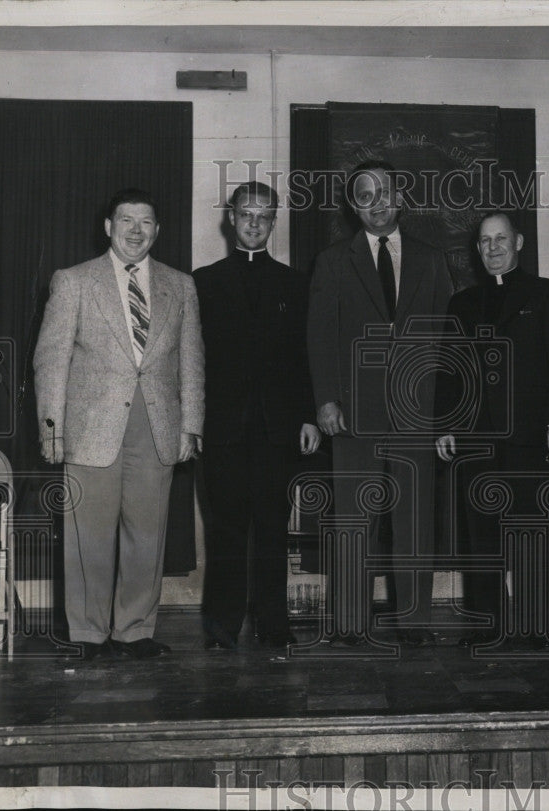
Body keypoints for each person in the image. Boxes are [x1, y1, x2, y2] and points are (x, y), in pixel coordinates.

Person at [34, 188, 204, 660]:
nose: (135, 230)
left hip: (157, 427)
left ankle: (135, 631)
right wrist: (52, 429)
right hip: (89, 429)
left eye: (145, 222)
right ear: (108, 227)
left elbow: (191, 362)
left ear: (157, 231)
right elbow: (50, 361)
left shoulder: (180, 285)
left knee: (147, 535)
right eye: (126, 220)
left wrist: (192, 425)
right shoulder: (74, 281)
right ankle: (88, 635)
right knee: (87, 536)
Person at [307, 160, 453, 648]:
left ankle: (413, 620)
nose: (377, 203)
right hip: (354, 412)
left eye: (385, 192)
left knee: (414, 518)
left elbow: (446, 338)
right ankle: (350, 622)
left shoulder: (432, 259)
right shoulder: (332, 260)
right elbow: (320, 336)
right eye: (364, 195)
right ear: (354, 206)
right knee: (354, 519)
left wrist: (443, 412)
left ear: (401, 198)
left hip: (417, 411)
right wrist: (326, 400)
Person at [435, 211, 549, 648]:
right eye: (485, 241)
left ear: (518, 242)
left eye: (501, 239)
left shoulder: (547, 293)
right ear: (477, 249)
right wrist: (444, 425)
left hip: (532, 439)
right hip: (476, 442)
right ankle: (487, 623)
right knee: (481, 537)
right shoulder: (461, 304)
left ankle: (538, 623)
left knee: (533, 532)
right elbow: (447, 372)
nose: (494, 248)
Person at [194, 181, 321, 651]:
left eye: (264, 215)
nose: (254, 222)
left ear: (274, 223)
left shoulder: (296, 283)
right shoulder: (202, 282)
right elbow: (192, 358)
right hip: (221, 428)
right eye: (246, 214)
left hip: (277, 429)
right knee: (225, 528)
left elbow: (305, 357)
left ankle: (273, 623)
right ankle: (222, 625)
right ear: (230, 219)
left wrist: (308, 417)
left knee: (272, 526)